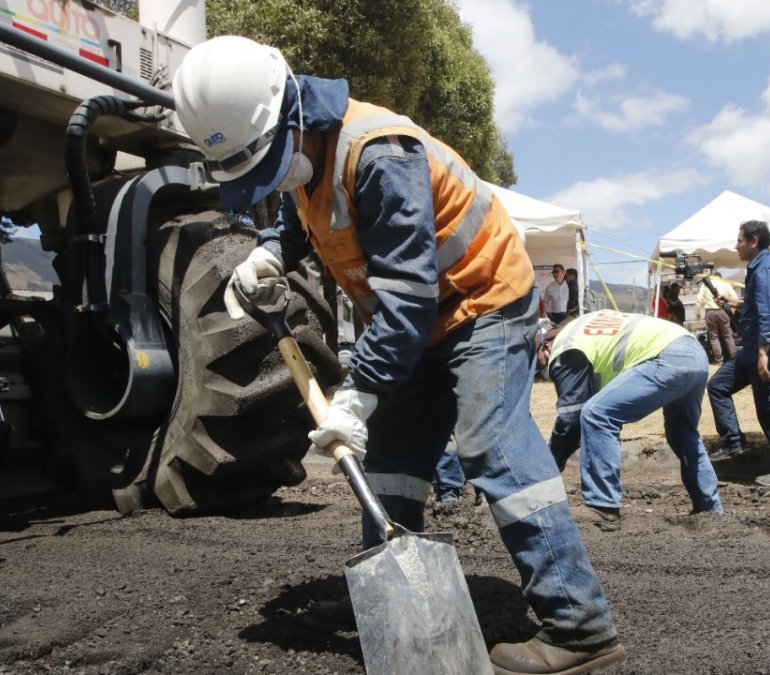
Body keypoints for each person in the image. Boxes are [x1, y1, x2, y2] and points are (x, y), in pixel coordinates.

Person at [172, 36, 623, 672]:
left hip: (484, 300)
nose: (267, 178)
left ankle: (580, 626)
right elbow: (310, 218)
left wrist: (357, 393)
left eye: (267, 161)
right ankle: (388, 602)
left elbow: (406, 299)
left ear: (292, 113)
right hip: (422, 318)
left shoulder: (380, 155)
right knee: (388, 459)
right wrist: (273, 253)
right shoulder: (307, 151)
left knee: (491, 444)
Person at [538, 310, 722, 530]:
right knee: (683, 434)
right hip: (693, 352)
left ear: (546, 344)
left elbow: (572, 419)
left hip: (665, 357)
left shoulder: (564, 346)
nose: (539, 370)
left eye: (537, 362)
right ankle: (710, 510)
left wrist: (549, 466)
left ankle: (601, 505)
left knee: (596, 414)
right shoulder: (583, 329)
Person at [705, 220, 770, 486]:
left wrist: (764, 354)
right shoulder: (761, 267)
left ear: (754, 241)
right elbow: (760, 305)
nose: (737, 246)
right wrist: (735, 303)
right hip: (752, 350)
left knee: (769, 409)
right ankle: (734, 442)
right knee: (718, 386)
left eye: (740, 240)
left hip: (765, 351)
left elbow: (769, 313)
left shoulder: (765, 269)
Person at [694, 272, 741, 363]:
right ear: (721, 277)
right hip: (723, 311)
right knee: (728, 335)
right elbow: (735, 297)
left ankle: (719, 358)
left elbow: (699, 300)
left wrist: (697, 312)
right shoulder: (725, 283)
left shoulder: (705, 285)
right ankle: (734, 356)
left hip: (710, 312)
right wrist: (732, 311)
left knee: (713, 336)